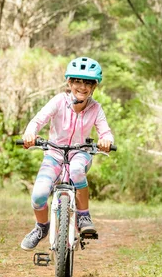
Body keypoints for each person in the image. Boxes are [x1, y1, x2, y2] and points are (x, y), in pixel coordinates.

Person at [20, 56, 115, 251]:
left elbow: (105, 132)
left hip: (80, 153)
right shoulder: (58, 101)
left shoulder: (96, 108)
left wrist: (106, 141)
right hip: (54, 154)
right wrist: (30, 133)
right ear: (69, 82)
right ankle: (41, 228)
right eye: (78, 81)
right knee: (38, 195)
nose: (82, 87)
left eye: (88, 83)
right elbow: (38, 121)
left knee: (77, 169)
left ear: (94, 87)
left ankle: (84, 216)